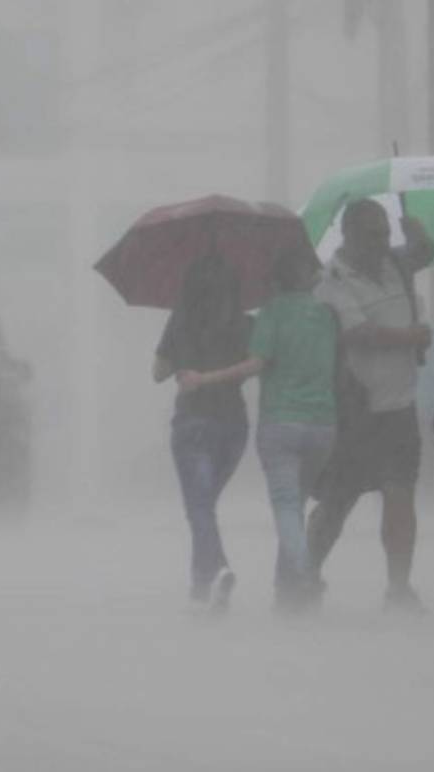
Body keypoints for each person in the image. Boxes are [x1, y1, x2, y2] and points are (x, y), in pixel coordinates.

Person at [179, 247, 337, 615]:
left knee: (284, 505)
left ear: (275, 282)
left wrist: (204, 378)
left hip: (281, 422)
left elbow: (254, 364)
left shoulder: (273, 313)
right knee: (295, 504)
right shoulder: (327, 316)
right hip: (324, 424)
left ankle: (302, 571)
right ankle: (288, 587)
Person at [307, 200, 434, 612]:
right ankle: (306, 572)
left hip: (400, 407)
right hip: (355, 412)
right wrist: (412, 337)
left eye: (385, 234)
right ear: (349, 235)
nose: (382, 243)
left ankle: (399, 587)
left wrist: (415, 229)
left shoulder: (394, 265)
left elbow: (426, 252)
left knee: (400, 495)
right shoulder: (330, 279)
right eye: (372, 235)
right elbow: (358, 333)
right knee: (337, 502)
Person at [153, 253, 253, 613]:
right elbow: (255, 365)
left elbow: (158, 372)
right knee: (204, 505)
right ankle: (200, 582)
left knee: (199, 507)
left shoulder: (180, 320)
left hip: (194, 423)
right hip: (233, 425)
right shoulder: (244, 323)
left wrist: (184, 360)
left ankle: (219, 568)